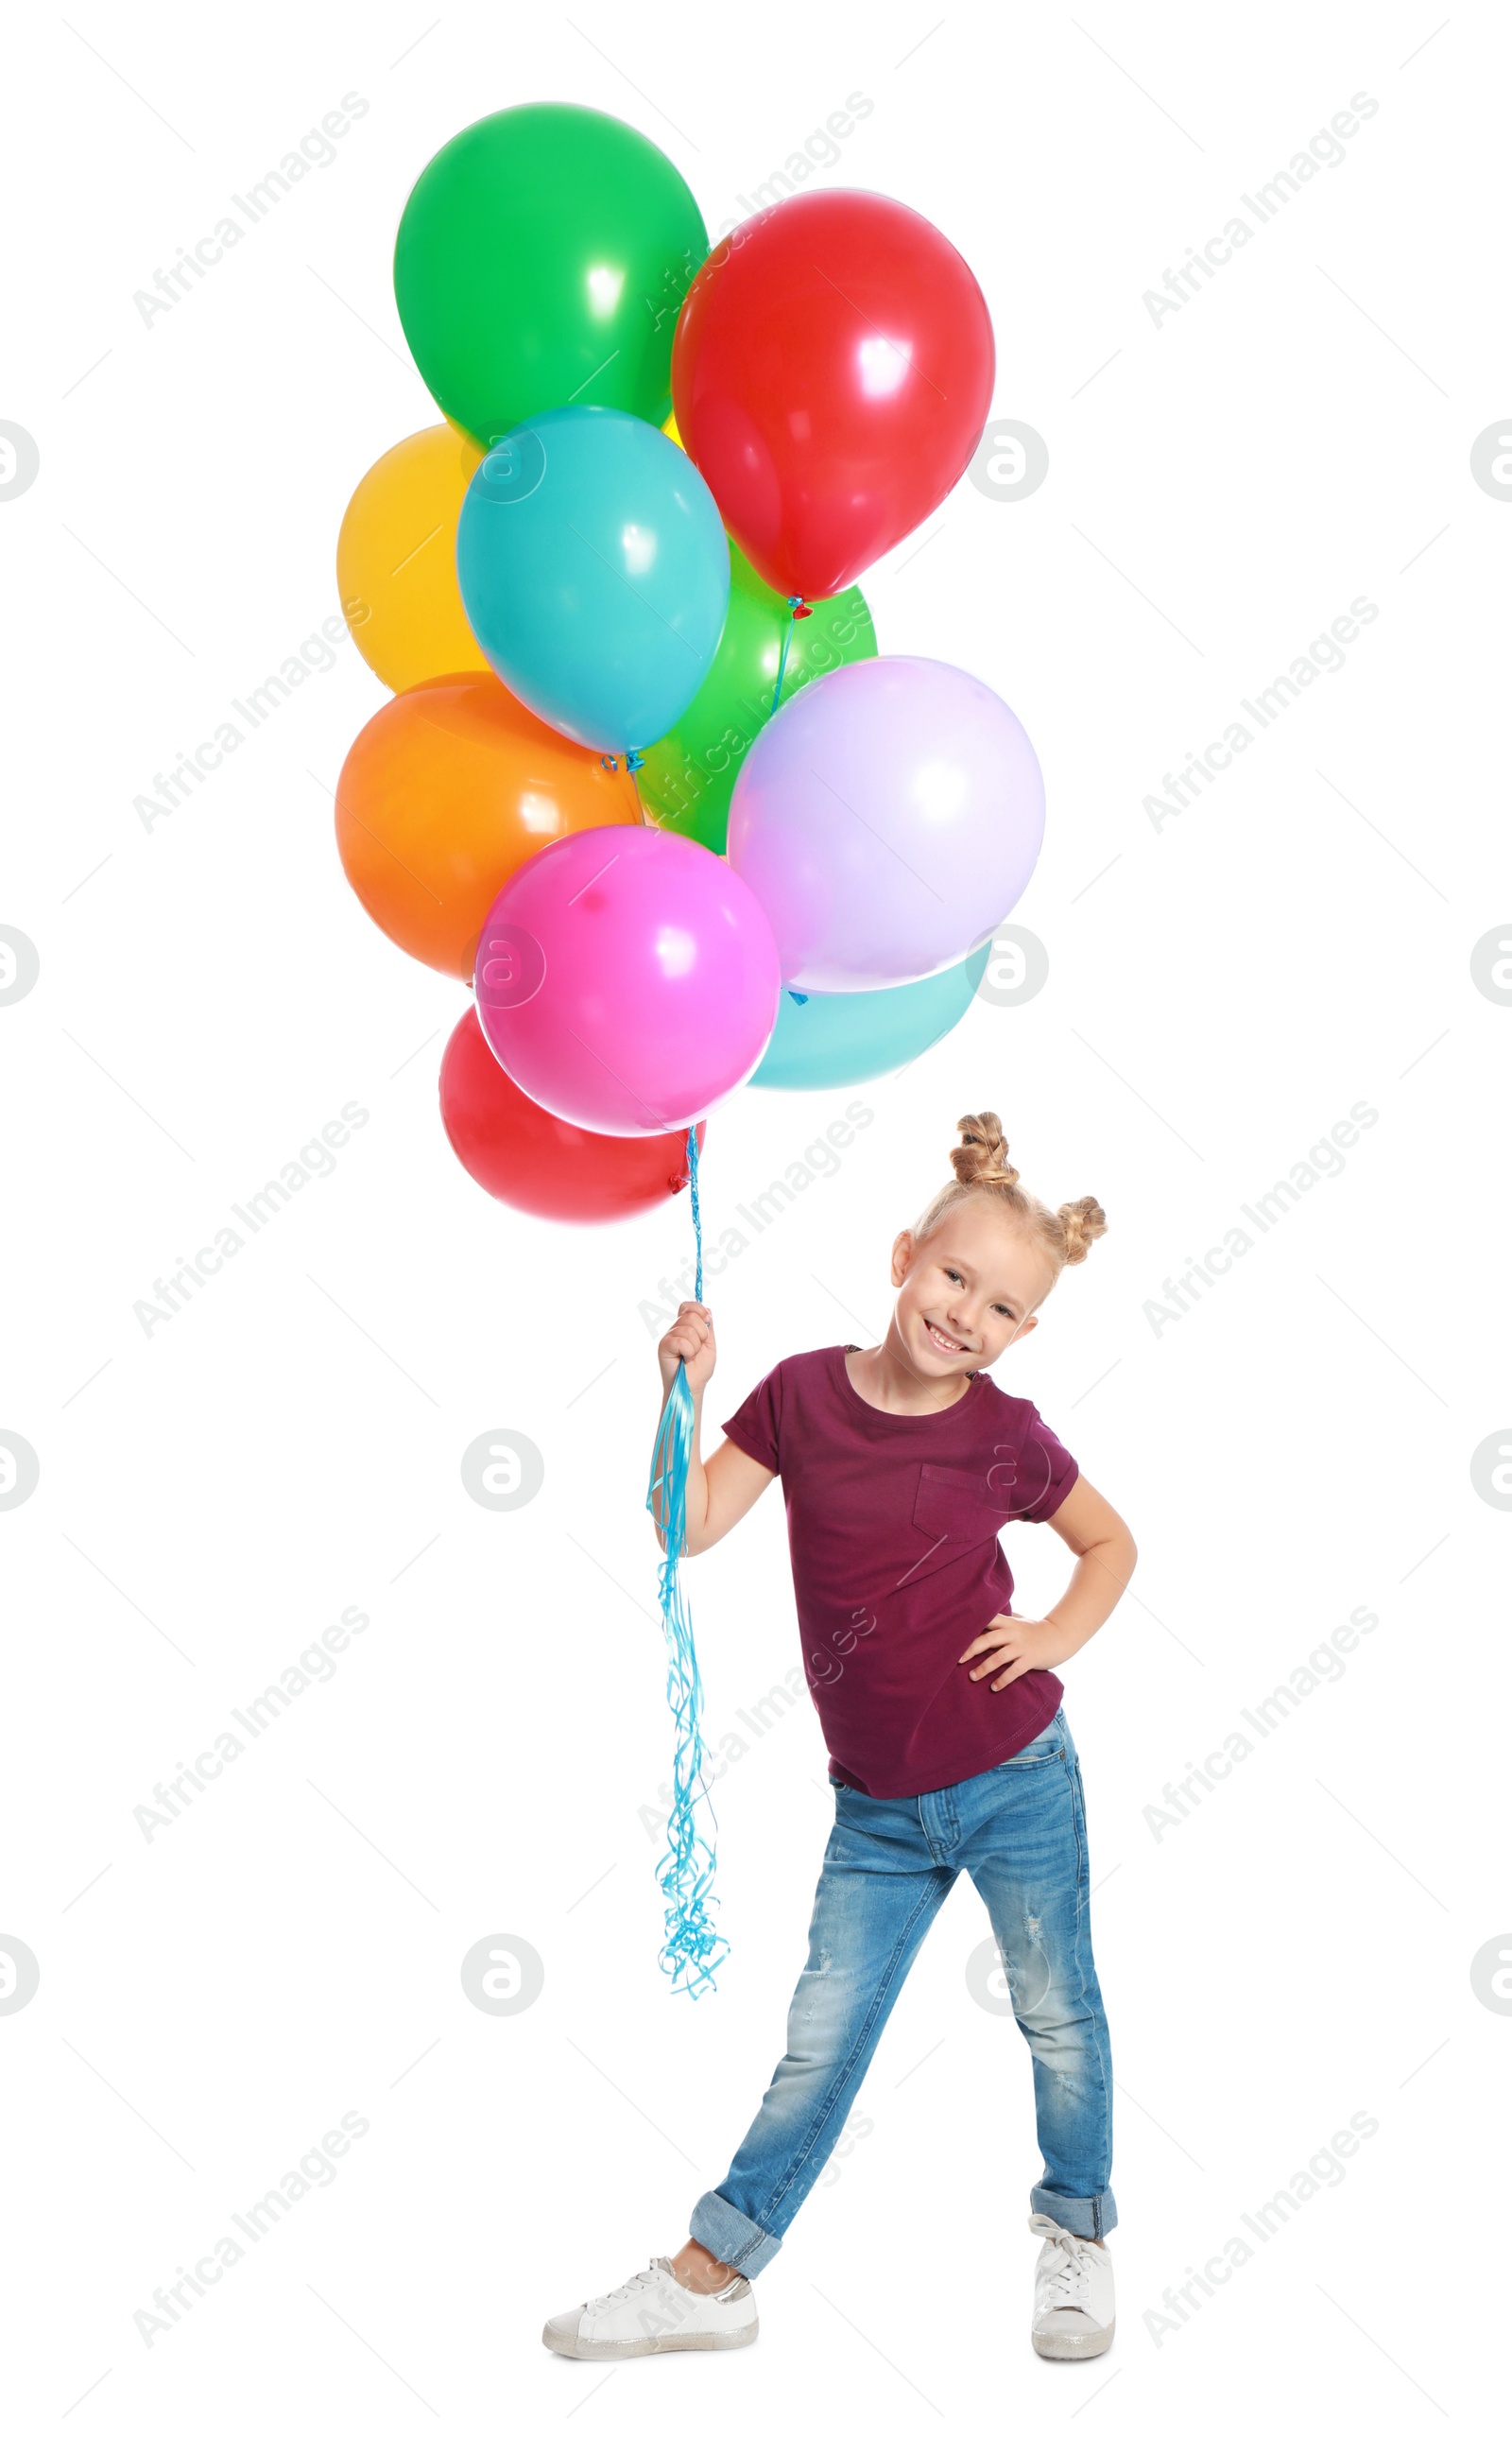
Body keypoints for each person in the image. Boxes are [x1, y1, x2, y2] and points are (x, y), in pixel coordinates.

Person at [543, 1113, 1137, 2366]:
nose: (969, 1313)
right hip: (874, 1806)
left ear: (1027, 1333)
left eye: (1004, 1307)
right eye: (956, 1275)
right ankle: (715, 2276)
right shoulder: (804, 1393)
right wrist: (681, 1398)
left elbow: (1110, 1543)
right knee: (823, 2034)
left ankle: (1077, 2227)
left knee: (1056, 2008)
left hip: (1016, 1776)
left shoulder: (1006, 1434)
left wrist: (1052, 1640)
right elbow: (686, 1524)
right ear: (903, 1255)